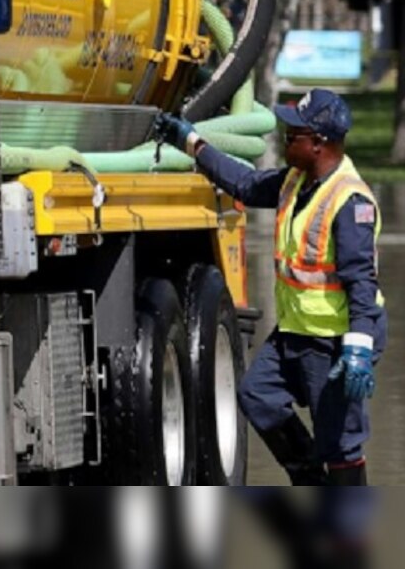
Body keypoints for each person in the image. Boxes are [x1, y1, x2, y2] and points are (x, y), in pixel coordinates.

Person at [153, 89, 386, 486]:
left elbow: (360, 279)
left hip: (335, 341)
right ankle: (310, 480)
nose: (282, 139)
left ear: (318, 144)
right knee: (257, 396)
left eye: (291, 135)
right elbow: (243, 183)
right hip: (296, 333)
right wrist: (191, 142)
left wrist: (359, 347)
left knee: (341, 446)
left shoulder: (349, 201)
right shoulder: (294, 182)